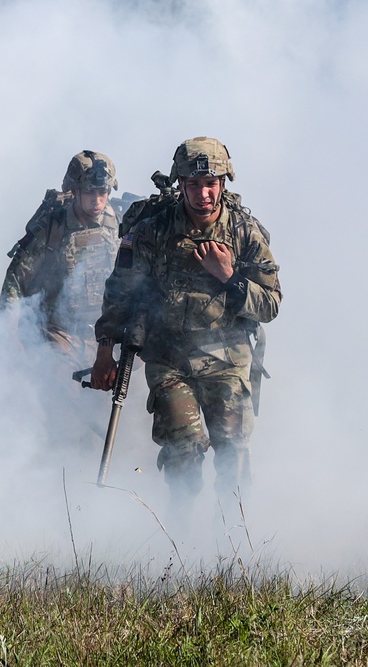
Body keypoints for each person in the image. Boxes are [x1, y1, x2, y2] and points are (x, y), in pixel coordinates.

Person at [91, 137, 281, 515]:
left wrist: (229, 277)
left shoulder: (246, 232)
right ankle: (179, 542)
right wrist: (104, 350)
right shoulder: (152, 232)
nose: (203, 193)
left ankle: (232, 545)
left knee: (233, 454)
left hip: (228, 360)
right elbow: (122, 293)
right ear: (180, 184)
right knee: (184, 447)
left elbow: (271, 304)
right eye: (193, 185)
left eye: (211, 184)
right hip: (169, 358)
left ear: (224, 183)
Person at [0, 150, 120, 368]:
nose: (97, 200)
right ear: (74, 191)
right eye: (89, 192)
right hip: (61, 335)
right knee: (63, 390)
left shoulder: (120, 222)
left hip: (108, 334)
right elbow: (15, 283)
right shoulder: (53, 229)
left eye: (103, 192)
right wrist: (10, 335)